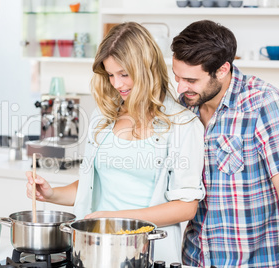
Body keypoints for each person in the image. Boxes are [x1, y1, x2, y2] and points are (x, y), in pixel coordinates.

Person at [26, 22, 205, 264]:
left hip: (147, 253)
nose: (117, 84)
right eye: (110, 75)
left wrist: (114, 220)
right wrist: (51, 193)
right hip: (95, 249)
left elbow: (185, 207)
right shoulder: (104, 118)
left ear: (147, 68)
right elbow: (94, 185)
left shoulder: (183, 124)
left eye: (124, 74)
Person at [171, 19, 279, 268]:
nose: (181, 87)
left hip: (256, 262)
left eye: (191, 80)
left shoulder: (262, 101)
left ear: (222, 70)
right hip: (195, 259)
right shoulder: (183, 108)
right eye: (177, 76)